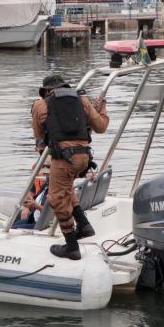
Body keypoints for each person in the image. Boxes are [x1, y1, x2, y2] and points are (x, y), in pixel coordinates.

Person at [32, 74, 109, 260]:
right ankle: (84, 225)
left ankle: (72, 247)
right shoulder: (82, 100)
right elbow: (101, 127)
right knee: (66, 189)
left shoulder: (40, 105)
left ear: (47, 91)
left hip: (63, 159)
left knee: (56, 199)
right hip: (84, 158)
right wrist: (102, 107)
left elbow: (39, 135)